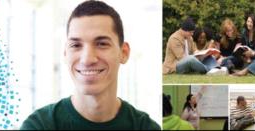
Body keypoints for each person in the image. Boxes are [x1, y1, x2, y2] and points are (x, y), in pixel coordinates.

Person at [20, 1, 160, 130]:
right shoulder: (40, 126)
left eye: (102, 44)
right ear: (65, 54)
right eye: (76, 45)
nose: (87, 59)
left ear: (124, 53)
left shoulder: (145, 127)